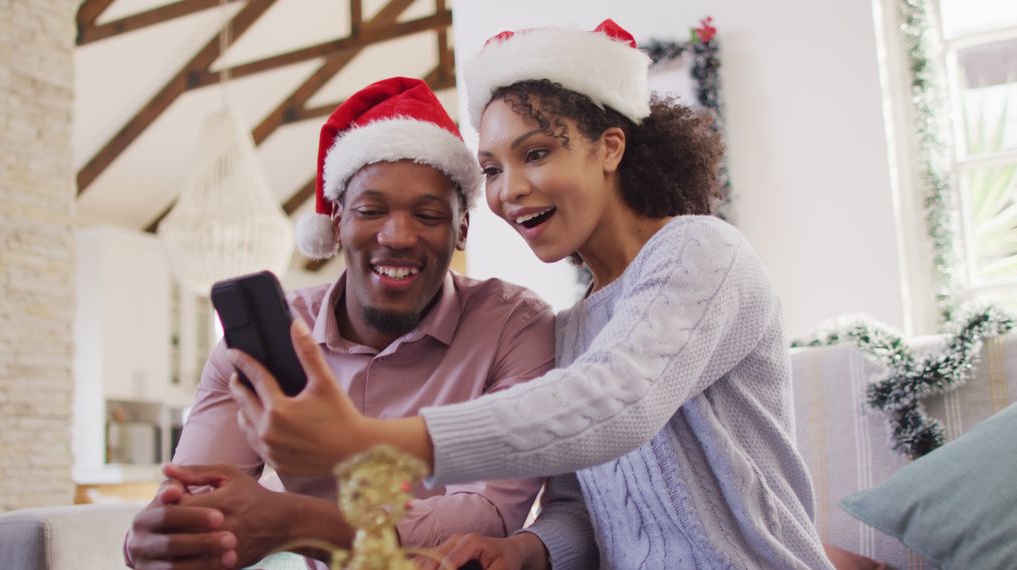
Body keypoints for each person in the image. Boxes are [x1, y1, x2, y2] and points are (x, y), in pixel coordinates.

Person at [225, 20, 837, 569]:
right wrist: (526, 548)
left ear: (610, 148)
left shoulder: (703, 251)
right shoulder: (571, 328)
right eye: (491, 168)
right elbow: (582, 503)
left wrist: (367, 440)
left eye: (535, 153)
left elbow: (617, 402)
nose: (509, 190)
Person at [124, 77, 553, 569]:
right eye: (370, 210)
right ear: (336, 223)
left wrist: (293, 520)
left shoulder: (516, 329)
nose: (397, 236)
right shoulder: (261, 345)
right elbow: (195, 506)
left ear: (461, 228)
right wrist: (159, 539)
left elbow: (487, 517)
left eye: (429, 215)